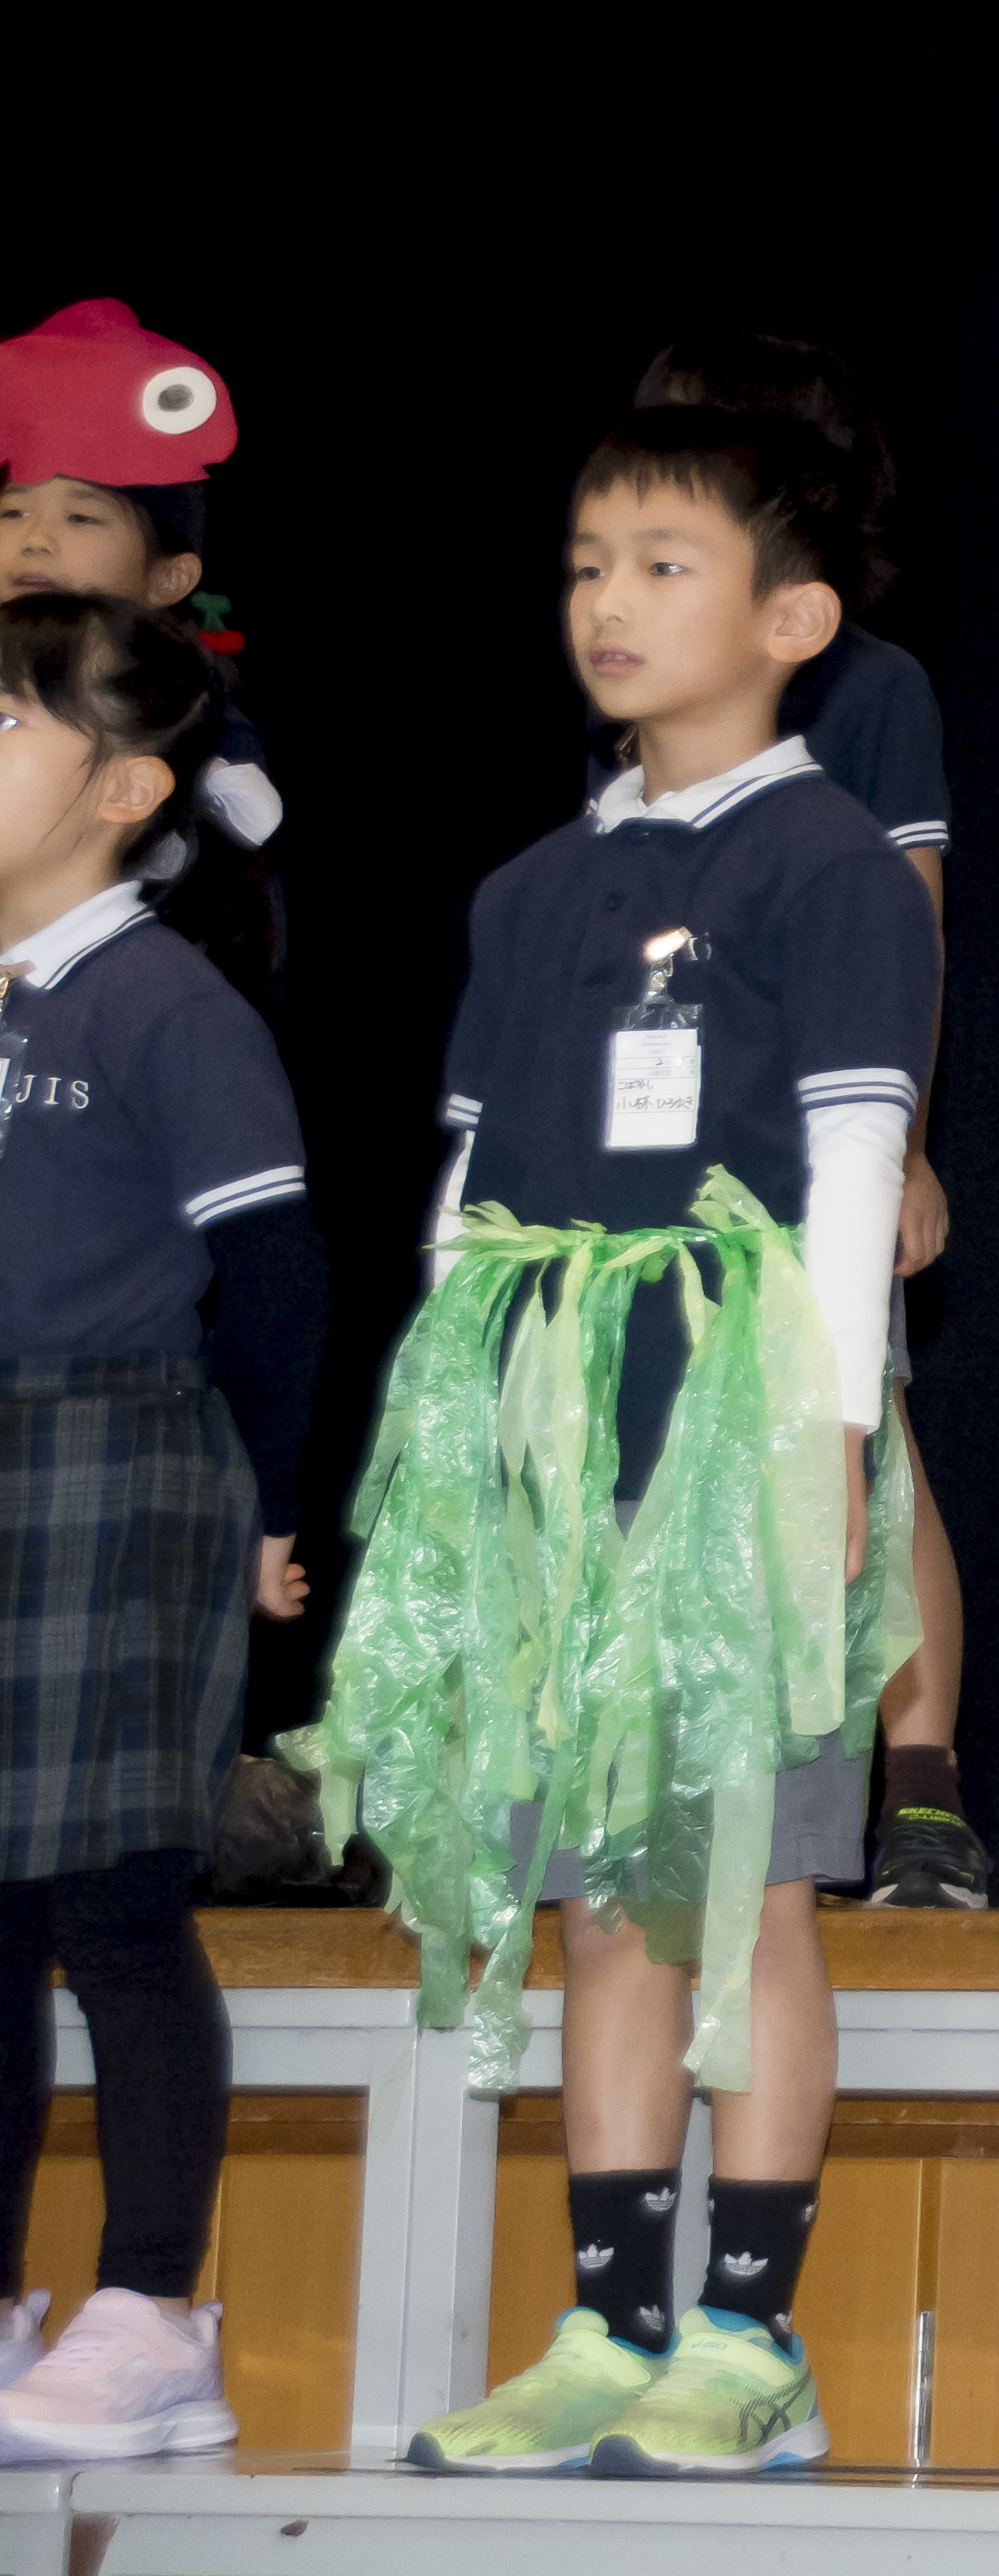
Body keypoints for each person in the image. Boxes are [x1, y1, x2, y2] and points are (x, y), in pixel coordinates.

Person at [306, 403, 936, 2477]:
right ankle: (609, 2318)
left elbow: (856, 1167)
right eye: (590, 563)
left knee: (742, 1884)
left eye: (667, 564)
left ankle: (747, 2336)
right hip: (554, 1446)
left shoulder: (834, 864)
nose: (612, 601)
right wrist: (451, 1460)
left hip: (734, 1421)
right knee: (597, 1898)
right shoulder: (531, 887)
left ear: (793, 617)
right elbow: (468, 1194)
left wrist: (826, 1441)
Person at [0, 591, 317, 2462]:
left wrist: (271, 1503)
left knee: (116, 1901)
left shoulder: (164, 1000)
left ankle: (147, 2306)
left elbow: (272, 1274)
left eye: (6, 724)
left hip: (114, 1456)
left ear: (124, 788)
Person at [628, 332, 985, 1911]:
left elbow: (912, 918)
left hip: (814, 1133)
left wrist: (899, 1142)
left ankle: (923, 1792)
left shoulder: (870, 685)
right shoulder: (638, 682)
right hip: (661, 1144)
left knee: (866, 1430)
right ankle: (674, 1780)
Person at [0, 306, 283, 991]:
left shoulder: (174, 702)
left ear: (170, 577)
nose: (36, 539)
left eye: (81, 516)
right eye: (12, 512)